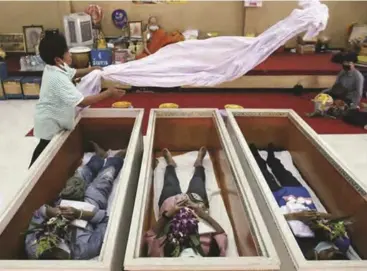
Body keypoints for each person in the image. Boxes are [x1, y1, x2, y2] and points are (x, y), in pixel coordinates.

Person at [29, 32, 125, 168]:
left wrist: (92, 69)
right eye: (67, 52)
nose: (70, 54)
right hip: (49, 122)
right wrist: (108, 93)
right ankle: (32, 176)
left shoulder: (56, 66)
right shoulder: (57, 78)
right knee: (44, 151)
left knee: (48, 149)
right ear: (58, 59)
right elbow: (83, 102)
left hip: (54, 117)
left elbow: (73, 72)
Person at [25, 142, 126, 260]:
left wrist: (53, 212)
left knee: (81, 174)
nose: (55, 234)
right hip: (91, 202)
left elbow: (38, 213)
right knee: (105, 178)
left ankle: (98, 157)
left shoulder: (33, 248)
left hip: (67, 198)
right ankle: (116, 158)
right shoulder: (85, 250)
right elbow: (105, 221)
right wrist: (80, 214)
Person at [249, 143, 350, 260]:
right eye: (334, 250)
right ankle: (271, 156)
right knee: (281, 170)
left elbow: (273, 222)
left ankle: (255, 154)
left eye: (327, 252)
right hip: (300, 196)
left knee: (263, 173)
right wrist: (321, 218)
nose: (331, 249)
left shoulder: (303, 249)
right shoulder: (342, 244)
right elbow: (337, 218)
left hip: (277, 198)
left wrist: (295, 216)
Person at [145, 147, 227, 257]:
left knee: (170, 182)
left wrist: (168, 214)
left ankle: (170, 165)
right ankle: (199, 164)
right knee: (198, 180)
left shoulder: (164, 255)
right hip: (195, 205)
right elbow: (221, 233)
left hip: (170, 206)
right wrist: (202, 214)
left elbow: (150, 236)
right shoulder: (211, 252)